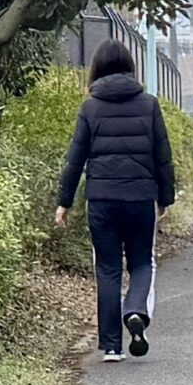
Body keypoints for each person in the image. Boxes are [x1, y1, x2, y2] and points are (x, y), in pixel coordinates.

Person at [55, 41, 176, 362]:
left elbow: (75, 159)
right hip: (140, 198)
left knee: (107, 269)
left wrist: (64, 201)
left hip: (102, 200)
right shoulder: (149, 105)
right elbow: (162, 155)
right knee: (142, 262)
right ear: (130, 67)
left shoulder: (90, 107)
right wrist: (165, 198)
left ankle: (111, 346)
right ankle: (135, 311)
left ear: (96, 69)